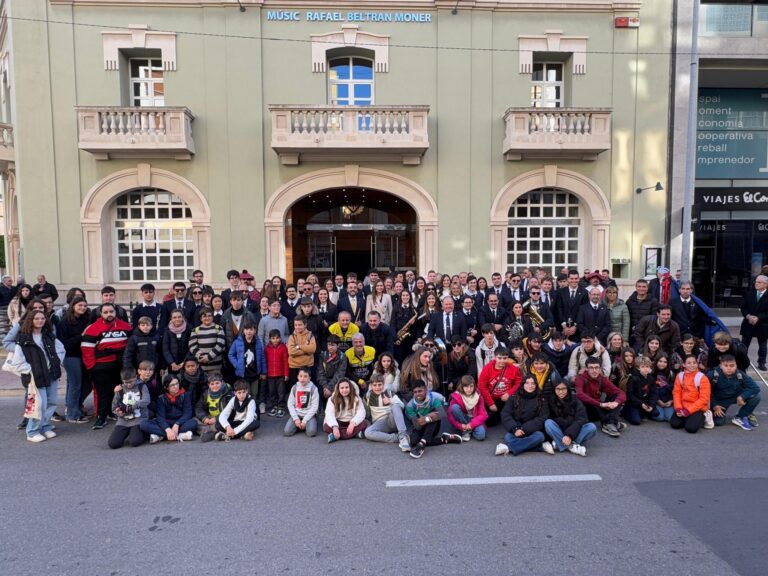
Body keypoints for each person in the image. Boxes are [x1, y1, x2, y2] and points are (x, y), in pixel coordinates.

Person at [7, 310, 65, 442]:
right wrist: (32, 370)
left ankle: (45, 426)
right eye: (37, 318)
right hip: (35, 377)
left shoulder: (48, 336)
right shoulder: (23, 339)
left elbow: (61, 349)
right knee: (38, 404)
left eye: (42, 318)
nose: (40, 321)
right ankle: (32, 431)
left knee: (51, 402)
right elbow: (17, 361)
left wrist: (56, 361)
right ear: (30, 320)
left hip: (51, 374)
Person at [82, 303, 132, 430]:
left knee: (121, 391)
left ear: (115, 312)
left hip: (120, 366)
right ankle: (101, 417)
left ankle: (117, 412)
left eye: (111, 311)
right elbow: (87, 349)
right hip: (101, 366)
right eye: (106, 312)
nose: (109, 314)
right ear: (101, 313)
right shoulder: (93, 328)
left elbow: (131, 347)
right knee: (103, 393)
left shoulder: (126, 327)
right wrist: (92, 367)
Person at [494, 375, 553, 457]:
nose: (530, 386)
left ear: (536, 385)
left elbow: (542, 418)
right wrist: (515, 429)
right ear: (523, 384)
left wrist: (524, 429)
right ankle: (540, 447)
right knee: (508, 437)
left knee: (540, 436)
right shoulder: (514, 397)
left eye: (533, 383)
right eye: (527, 383)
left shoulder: (541, 399)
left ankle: (508, 447)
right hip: (516, 429)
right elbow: (505, 414)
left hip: (533, 430)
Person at [405, 379, 460, 459]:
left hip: (433, 425)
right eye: (415, 392)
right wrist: (423, 420)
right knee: (414, 441)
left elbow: (442, 414)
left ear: (426, 390)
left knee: (433, 417)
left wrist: (427, 418)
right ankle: (444, 439)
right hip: (421, 427)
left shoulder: (434, 398)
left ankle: (421, 445)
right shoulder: (410, 406)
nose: (418, 394)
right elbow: (417, 426)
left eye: (420, 391)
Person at [57, 296, 91, 423]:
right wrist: (81, 336)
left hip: (84, 355)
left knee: (87, 384)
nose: (82, 308)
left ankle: (76, 408)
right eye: (79, 305)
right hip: (71, 356)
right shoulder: (64, 322)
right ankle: (72, 414)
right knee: (75, 385)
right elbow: (63, 344)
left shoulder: (86, 319)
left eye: (84, 305)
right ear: (73, 306)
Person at [575, 357, 627, 437]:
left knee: (616, 396)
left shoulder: (602, 379)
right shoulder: (581, 378)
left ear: (600, 368)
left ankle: (610, 423)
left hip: (599, 407)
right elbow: (579, 394)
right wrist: (601, 404)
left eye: (596, 367)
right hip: (587, 410)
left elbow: (621, 393)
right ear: (586, 369)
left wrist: (616, 403)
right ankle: (610, 422)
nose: (594, 370)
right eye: (591, 368)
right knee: (588, 399)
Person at [707, 354, 761, 430]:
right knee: (718, 422)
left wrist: (742, 396)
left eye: (732, 366)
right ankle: (716, 413)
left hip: (735, 396)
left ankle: (740, 417)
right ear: (720, 366)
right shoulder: (712, 375)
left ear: (736, 366)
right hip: (720, 400)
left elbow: (755, 388)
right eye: (726, 366)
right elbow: (707, 392)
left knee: (756, 397)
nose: (729, 368)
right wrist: (714, 405)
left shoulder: (740, 374)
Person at [544, 380, 596, 457]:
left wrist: (569, 435)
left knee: (592, 427)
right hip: (559, 429)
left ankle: (562, 444)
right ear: (554, 390)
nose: (561, 392)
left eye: (563, 389)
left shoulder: (575, 400)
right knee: (548, 423)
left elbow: (581, 419)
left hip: (574, 430)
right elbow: (548, 417)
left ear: (568, 389)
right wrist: (564, 423)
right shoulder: (550, 401)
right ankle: (572, 446)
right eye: (558, 389)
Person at [140, 374, 196, 443]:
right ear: (166, 387)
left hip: (180, 422)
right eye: (172, 385)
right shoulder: (162, 398)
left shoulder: (185, 395)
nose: (176, 386)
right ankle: (179, 436)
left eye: (177, 383)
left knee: (193, 423)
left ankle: (161, 436)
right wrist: (167, 429)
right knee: (143, 424)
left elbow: (188, 413)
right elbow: (160, 417)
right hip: (166, 422)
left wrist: (177, 424)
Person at [363, 373, 410, 451]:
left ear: (383, 384)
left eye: (379, 385)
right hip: (380, 423)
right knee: (368, 433)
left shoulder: (389, 393)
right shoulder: (367, 396)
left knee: (395, 405)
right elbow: (367, 414)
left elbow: (402, 406)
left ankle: (403, 437)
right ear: (371, 385)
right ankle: (397, 438)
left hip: (392, 420)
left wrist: (390, 401)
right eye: (374, 385)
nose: (377, 388)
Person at [477, 346, 522, 427]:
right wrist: (490, 403)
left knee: (515, 418)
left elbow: (519, 383)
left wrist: (509, 393)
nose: (502, 361)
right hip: (492, 398)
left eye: (505, 358)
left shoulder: (513, 369)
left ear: (508, 358)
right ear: (495, 357)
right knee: (489, 421)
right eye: (499, 358)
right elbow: (481, 386)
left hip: (507, 399)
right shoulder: (487, 368)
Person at [108, 367, 150, 449]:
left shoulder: (142, 386)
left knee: (134, 442)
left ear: (136, 377)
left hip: (138, 419)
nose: (128, 384)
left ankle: (141, 432)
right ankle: (129, 432)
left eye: (131, 381)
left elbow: (146, 401)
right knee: (113, 444)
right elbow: (114, 407)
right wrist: (118, 412)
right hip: (123, 420)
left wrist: (130, 407)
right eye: (126, 382)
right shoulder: (120, 389)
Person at [670, 355, 712, 434]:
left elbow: (704, 399)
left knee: (691, 428)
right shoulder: (680, 376)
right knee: (675, 424)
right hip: (683, 406)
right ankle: (689, 419)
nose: (692, 365)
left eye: (694, 363)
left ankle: (704, 416)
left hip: (698, 407)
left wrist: (688, 411)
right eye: (688, 363)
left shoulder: (702, 378)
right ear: (684, 364)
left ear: (697, 364)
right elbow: (676, 393)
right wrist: (678, 408)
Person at [229, 321, 267, 401]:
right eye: (246, 329)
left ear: (254, 331)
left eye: (251, 329)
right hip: (243, 374)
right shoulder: (237, 342)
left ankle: (253, 410)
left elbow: (262, 357)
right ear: (243, 331)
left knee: (254, 393)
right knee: (246, 393)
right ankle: (246, 410)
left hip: (255, 373)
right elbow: (231, 354)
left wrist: (263, 372)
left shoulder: (258, 342)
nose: (249, 331)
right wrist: (237, 365)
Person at [323, 378, 368, 443]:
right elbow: (329, 413)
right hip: (338, 422)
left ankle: (335, 436)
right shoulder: (332, 399)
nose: (344, 390)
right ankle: (355, 434)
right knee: (326, 426)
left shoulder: (356, 398)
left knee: (364, 423)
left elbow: (361, 412)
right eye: (342, 388)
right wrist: (335, 427)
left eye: (347, 387)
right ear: (338, 389)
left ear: (350, 388)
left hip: (351, 421)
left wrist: (353, 423)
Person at [447, 375, 488, 442]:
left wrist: (472, 425)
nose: (469, 389)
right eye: (466, 386)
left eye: (471, 386)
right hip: (463, 419)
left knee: (481, 436)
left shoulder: (478, 395)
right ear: (462, 386)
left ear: (474, 386)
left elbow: (483, 414)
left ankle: (468, 430)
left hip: (474, 419)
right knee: (454, 408)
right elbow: (450, 415)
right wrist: (460, 426)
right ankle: (465, 431)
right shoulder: (456, 395)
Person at [740, 274, 768, 370]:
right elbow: (743, 308)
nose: (756, 284)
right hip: (748, 323)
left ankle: (762, 363)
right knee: (744, 344)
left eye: (759, 282)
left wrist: (758, 318)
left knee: (763, 345)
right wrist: (748, 316)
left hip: (763, 324)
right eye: (756, 282)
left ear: (765, 284)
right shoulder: (750, 294)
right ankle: (742, 363)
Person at [194, 372, 232, 442]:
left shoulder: (228, 393)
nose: (215, 386)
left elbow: (230, 410)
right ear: (208, 385)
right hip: (209, 417)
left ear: (222, 382)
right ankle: (213, 431)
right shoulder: (205, 393)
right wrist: (204, 418)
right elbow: (199, 407)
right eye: (212, 384)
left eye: (217, 383)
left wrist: (216, 418)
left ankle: (209, 431)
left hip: (222, 418)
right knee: (193, 420)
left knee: (227, 423)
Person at [188, 307, 226, 376]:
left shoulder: (219, 328)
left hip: (216, 367)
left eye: (209, 316)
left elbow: (220, 344)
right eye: (204, 316)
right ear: (201, 319)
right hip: (201, 367)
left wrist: (209, 357)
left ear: (212, 317)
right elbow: (192, 346)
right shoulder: (195, 330)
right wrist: (201, 357)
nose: (207, 318)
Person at [284, 367, 320, 437]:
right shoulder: (294, 387)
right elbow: (290, 404)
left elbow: (314, 406)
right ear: (297, 377)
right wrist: (295, 418)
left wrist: (305, 421)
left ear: (309, 378)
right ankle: (300, 425)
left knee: (311, 433)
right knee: (287, 432)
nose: (302, 378)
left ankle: (305, 425)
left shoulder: (313, 389)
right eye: (300, 376)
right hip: (297, 414)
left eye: (305, 376)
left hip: (309, 415)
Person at [623, 356, 659, 425]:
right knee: (636, 421)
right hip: (634, 403)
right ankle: (625, 412)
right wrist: (641, 404)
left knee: (656, 413)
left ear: (650, 368)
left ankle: (642, 413)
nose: (645, 369)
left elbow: (654, 393)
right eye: (643, 367)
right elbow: (629, 395)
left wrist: (651, 405)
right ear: (638, 368)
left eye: (647, 366)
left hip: (646, 402)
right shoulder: (633, 378)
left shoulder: (651, 378)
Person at [625, 279, 660, 347]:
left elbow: (654, 319)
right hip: (632, 333)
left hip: (646, 334)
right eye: (639, 286)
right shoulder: (630, 301)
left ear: (647, 288)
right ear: (636, 287)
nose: (641, 288)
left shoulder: (654, 301)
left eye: (644, 286)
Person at [264, 329, 289, 417]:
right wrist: (265, 372)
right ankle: (274, 406)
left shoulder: (283, 347)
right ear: (270, 339)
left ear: (280, 338)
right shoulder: (267, 348)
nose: (275, 340)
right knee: (272, 391)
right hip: (270, 374)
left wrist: (286, 374)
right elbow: (265, 361)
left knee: (281, 392)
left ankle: (281, 407)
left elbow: (286, 361)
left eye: (277, 338)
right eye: (273, 338)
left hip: (281, 374)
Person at [317, 334, 348, 404]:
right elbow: (320, 373)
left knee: (338, 392)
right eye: (329, 345)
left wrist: (330, 387)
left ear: (338, 345)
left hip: (336, 382)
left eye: (333, 345)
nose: (330, 347)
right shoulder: (323, 355)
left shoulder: (342, 357)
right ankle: (323, 410)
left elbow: (340, 374)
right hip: (324, 382)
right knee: (320, 392)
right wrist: (325, 387)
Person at [286, 316, 316, 390]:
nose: (297, 327)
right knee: (295, 389)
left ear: (305, 325)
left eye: (300, 325)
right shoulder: (292, 337)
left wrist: (298, 346)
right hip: (294, 366)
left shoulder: (310, 335)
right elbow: (291, 351)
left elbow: (312, 349)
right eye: (295, 325)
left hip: (307, 365)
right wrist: (306, 350)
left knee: (308, 388)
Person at [162, 309, 191, 375]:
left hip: (186, 363)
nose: (177, 319)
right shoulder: (167, 330)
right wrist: (172, 363)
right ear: (171, 319)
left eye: (179, 317)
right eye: (174, 317)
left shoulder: (189, 329)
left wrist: (184, 362)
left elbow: (191, 348)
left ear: (183, 317)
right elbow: (165, 349)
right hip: (172, 365)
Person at [653, 353, 675, 422]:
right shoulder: (651, 373)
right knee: (660, 417)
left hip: (667, 400)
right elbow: (651, 390)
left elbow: (674, 389)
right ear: (656, 361)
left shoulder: (671, 373)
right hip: (656, 400)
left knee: (670, 418)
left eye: (665, 362)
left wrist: (671, 400)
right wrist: (658, 400)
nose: (662, 364)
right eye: (660, 361)